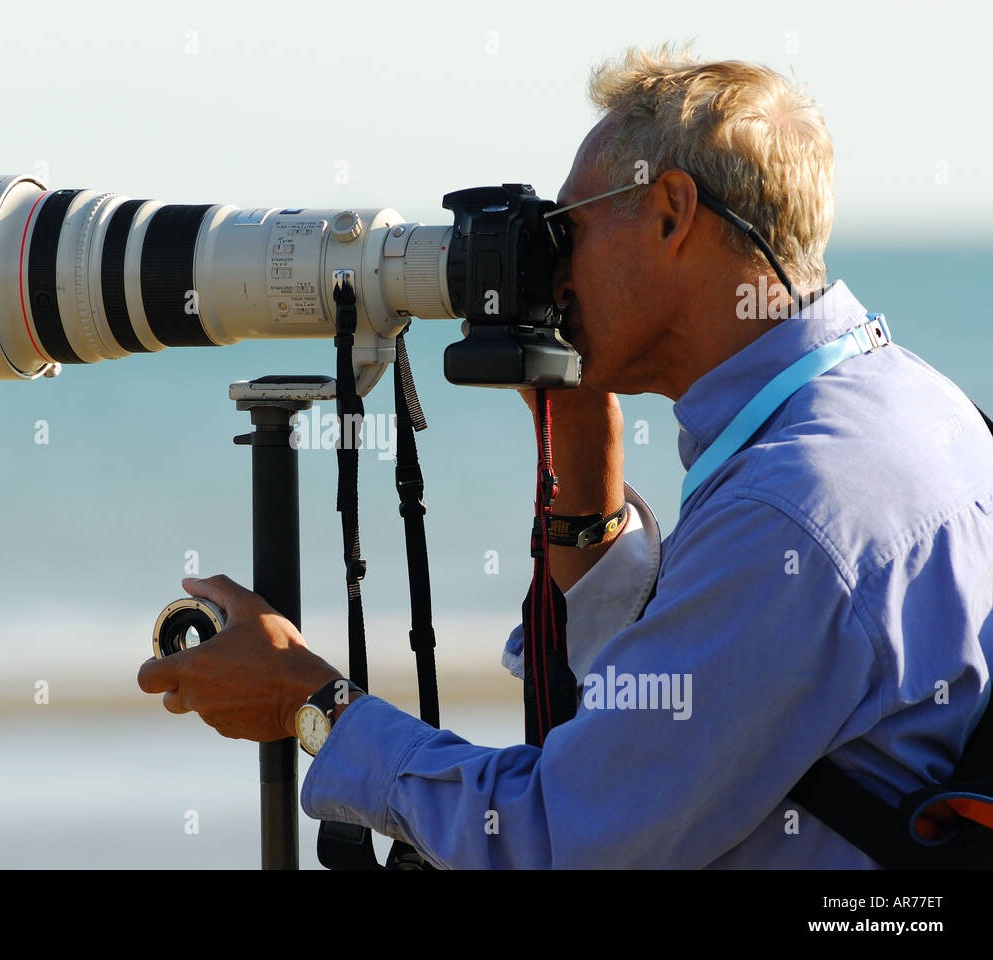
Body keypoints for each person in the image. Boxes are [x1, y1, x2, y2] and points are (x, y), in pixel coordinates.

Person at [137, 46, 993, 868]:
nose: (555, 271)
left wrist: (310, 703)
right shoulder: (914, 406)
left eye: (566, 228)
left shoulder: (792, 515)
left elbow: (559, 838)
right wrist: (584, 455)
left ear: (671, 212)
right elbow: (674, 711)